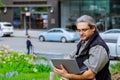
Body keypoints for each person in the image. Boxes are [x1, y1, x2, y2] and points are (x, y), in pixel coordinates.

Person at [53, 15, 111, 80]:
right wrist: (60, 67)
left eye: (84, 30)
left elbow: (90, 75)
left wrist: (67, 75)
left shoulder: (98, 47)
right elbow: (70, 57)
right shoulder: (83, 41)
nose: (81, 33)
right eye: (79, 30)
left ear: (93, 28)